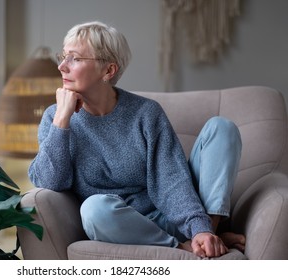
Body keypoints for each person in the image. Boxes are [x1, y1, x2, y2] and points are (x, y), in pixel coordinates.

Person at [28, 21, 245, 258]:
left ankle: (206, 236)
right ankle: (185, 246)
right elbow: (50, 182)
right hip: (121, 226)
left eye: (75, 58)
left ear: (108, 71)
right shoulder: (56, 116)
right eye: (63, 56)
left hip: (169, 216)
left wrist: (200, 227)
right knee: (92, 208)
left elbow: (170, 178)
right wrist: (62, 119)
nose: (61, 66)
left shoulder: (146, 113)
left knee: (221, 128)